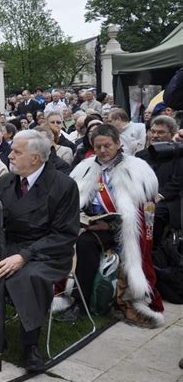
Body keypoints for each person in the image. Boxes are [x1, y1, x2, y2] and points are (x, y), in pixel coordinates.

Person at [0, 130, 79, 372]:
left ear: (35, 158)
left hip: (44, 252)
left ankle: (30, 346)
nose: (9, 155)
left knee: (27, 277)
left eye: (16, 152)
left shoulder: (64, 186)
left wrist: (23, 257)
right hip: (3, 247)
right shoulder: (4, 182)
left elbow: (63, 234)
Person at [63, 124, 164, 327]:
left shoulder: (137, 168)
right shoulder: (85, 167)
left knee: (84, 244)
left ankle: (81, 305)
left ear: (118, 144)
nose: (102, 151)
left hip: (122, 227)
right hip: (89, 222)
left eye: (107, 146)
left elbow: (144, 210)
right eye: (98, 147)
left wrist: (109, 226)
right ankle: (65, 293)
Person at [136, 116, 183, 247]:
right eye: (153, 131)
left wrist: (159, 196)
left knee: (154, 215)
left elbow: (178, 181)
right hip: (143, 199)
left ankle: (153, 251)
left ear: (172, 134)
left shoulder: (179, 153)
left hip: (169, 201)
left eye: (161, 132)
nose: (155, 135)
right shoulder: (141, 155)